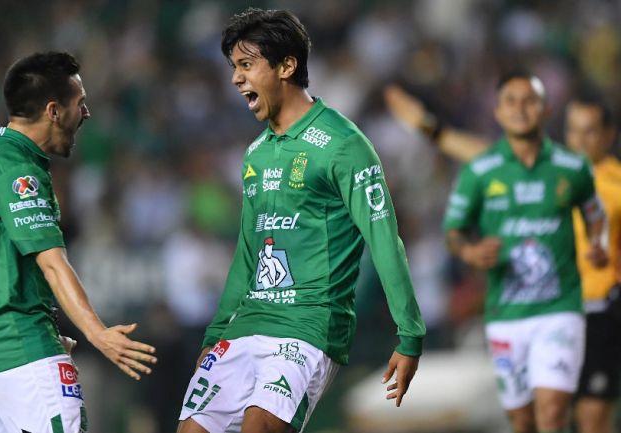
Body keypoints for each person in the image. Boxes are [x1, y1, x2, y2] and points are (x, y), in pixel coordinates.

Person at [177, 8, 426, 433]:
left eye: (247, 65)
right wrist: (215, 332)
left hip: (307, 326)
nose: (236, 79)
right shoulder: (256, 153)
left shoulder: (344, 145)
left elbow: (384, 239)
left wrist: (410, 334)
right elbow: (248, 251)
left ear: (287, 66)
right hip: (245, 326)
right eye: (234, 67)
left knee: (259, 428)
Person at [386, 84, 621, 433]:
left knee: (590, 418)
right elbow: (478, 153)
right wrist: (426, 125)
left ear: (608, 135)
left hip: (598, 310)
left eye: (590, 132)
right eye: (574, 131)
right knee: (539, 416)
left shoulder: (615, 184)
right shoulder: (549, 169)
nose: (580, 141)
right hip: (542, 309)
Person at [0, 51, 157, 433]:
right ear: (53, 110)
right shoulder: (19, 173)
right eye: (80, 103)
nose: (87, 113)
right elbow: (51, 262)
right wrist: (97, 333)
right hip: (22, 350)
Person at [441, 72, 608, 433]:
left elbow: (596, 216)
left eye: (529, 100)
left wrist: (597, 244)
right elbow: (453, 232)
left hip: (559, 309)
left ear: (546, 109)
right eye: (511, 102)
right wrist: (469, 253)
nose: (521, 109)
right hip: (506, 313)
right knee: (523, 421)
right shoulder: (480, 171)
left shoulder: (572, 167)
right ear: (498, 112)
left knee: (552, 411)